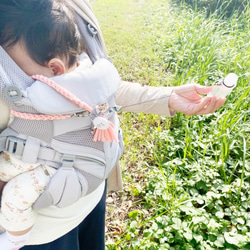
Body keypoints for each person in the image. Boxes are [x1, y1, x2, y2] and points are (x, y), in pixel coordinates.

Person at [0, 0, 226, 249]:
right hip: (37, 230)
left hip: (92, 189)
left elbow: (90, 89)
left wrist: (167, 97)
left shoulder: (72, 5)